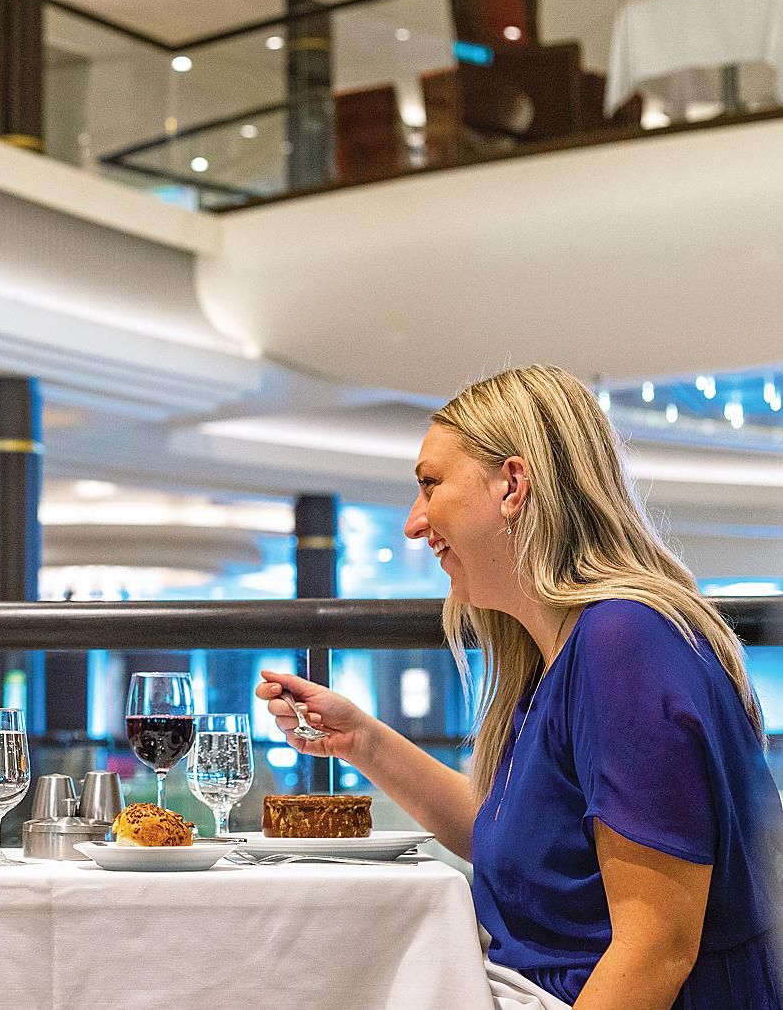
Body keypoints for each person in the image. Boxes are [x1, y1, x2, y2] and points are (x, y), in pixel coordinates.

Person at [259, 364, 781, 1009]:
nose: (414, 523)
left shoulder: (623, 644)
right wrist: (361, 740)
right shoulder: (565, 652)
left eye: (431, 485)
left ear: (513, 485)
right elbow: (520, 842)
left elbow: (656, 950)